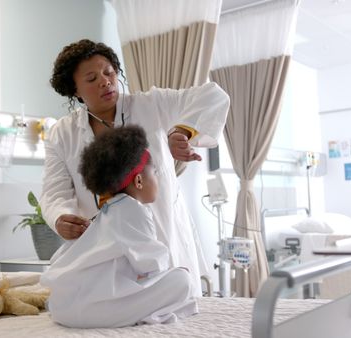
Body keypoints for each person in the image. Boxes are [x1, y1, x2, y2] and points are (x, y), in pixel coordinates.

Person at [40, 39, 229, 296]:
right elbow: (55, 192)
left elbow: (213, 95)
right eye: (92, 78)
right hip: (104, 247)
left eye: (109, 72)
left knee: (171, 309)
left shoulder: (151, 105)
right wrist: (60, 217)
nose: (105, 81)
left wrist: (183, 130)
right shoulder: (62, 134)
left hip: (162, 233)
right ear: (75, 90)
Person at [41, 126, 196, 328]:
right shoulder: (133, 210)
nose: (157, 179)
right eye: (155, 173)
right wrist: (171, 270)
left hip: (63, 307)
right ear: (139, 180)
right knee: (182, 280)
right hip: (92, 311)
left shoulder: (107, 210)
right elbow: (151, 264)